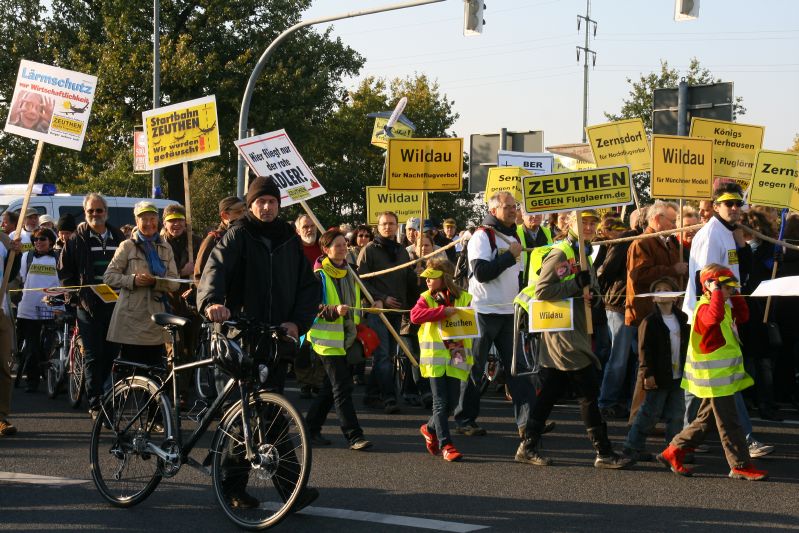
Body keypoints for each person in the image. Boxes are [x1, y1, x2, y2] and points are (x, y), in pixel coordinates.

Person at [198, 176, 320, 511]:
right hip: (238, 336)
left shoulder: (289, 241)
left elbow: (309, 288)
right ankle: (231, 486)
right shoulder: (238, 234)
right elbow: (214, 272)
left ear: (280, 205)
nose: (266, 208)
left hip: (274, 339)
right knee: (242, 418)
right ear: (250, 205)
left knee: (275, 414)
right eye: (260, 202)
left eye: (272, 202)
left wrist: (297, 322)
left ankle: (290, 490)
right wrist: (212, 303)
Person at [530, 210, 632, 468]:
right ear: (569, 223)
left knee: (550, 391)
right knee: (588, 391)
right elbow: (542, 291)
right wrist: (576, 284)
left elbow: (591, 291)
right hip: (561, 332)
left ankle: (527, 445)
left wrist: (591, 295)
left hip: (576, 329)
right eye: (582, 222)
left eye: (592, 222)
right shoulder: (562, 252)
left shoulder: (583, 252)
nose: (588, 226)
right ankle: (604, 453)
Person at [682, 182, 773, 459]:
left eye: (738, 204)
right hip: (710, 315)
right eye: (728, 204)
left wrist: (741, 243)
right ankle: (742, 439)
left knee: (707, 381)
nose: (735, 208)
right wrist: (715, 317)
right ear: (715, 206)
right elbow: (707, 280)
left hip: (724, 314)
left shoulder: (729, 233)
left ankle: (684, 438)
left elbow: (741, 272)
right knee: (719, 379)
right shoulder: (711, 234)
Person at [657, 264, 767, 481]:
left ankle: (673, 452)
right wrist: (717, 291)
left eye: (731, 286)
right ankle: (740, 465)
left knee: (705, 420)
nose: (729, 290)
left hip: (721, 377)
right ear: (710, 286)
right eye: (726, 287)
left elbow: (744, 316)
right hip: (714, 378)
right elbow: (712, 319)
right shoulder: (705, 307)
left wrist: (734, 295)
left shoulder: (724, 304)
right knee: (730, 423)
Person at [455, 191, 541, 456]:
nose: (513, 210)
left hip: (509, 311)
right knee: (474, 367)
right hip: (483, 311)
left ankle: (527, 424)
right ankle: (465, 419)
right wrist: (508, 256)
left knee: (518, 369)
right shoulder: (482, 236)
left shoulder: (514, 235)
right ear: (493, 210)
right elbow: (481, 273)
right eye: (507, 207)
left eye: (515, 206)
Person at [600, 201, 686, 420]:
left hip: (661, 311)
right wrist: (672, 270)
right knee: (635, 363)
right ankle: (626, 409)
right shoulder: (642, 242)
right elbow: (638, 274)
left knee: (645, 362)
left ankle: (640, 410)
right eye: (671, 220)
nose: (675, 224)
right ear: (657, 220)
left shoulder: (669, 243)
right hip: (643, 312)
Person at [305, 229, 372, 451]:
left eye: (345, 244)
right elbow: (310, 306)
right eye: (338, 245)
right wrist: (334, 310)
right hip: (325, 340)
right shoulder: (318, 275)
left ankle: (310, 429)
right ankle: (354, 436)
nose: (343, 248)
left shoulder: (351, 271)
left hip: (347, 336)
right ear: (325, 250)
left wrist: (377, 301)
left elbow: (364, 294)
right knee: (342, 386)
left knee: (330, 388)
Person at [58, 193, 125, 415]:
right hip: (88, 306)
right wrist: (74, 295)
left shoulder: (118, 236)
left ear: (106, 212)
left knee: (111, 353)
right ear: (85, 213)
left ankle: (105, 393)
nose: (95, 214)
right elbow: (65, 271)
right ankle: (95, 402)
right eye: (90, 211)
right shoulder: (76, 239)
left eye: (99, 210)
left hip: (116, 305)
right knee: (93, 354)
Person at [411, 257, 474, 462]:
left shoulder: (465, 297)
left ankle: (429, 428)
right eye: (426, 277)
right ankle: (446, 444)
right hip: (436, 357)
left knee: (452, 403)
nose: (427, 281)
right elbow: (415, 316)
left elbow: (473, 317)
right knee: (440, 403)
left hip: (458, 354)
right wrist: (441, 312)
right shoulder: (426, 297)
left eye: (432, 277)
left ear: (445, 277)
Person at [104, 202, 179, 367]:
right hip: (132, 318)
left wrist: (156, 282)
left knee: (155, 368)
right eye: (144, 219)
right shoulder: (127, 246)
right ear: (137, 221)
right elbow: (109, 276)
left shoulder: (165, 247)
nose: (149, 223)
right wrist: (132, 280)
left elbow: (175, 283)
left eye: (152, 218)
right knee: (132, 369)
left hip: (158, 317)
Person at [357, 211, 417, 414]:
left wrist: (417, 273)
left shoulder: (402, 251)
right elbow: (361, 281)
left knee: (389, 356)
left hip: (397, 311)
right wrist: (381, 298)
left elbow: (407, 281)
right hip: (378, 310)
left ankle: (371, 395)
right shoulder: (369, 250)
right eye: (384, 224)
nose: (388, 227)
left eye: (391, 224)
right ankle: (389, 398)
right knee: (382, 356)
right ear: (378, 226)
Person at [622, 277, 688, 461]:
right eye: (658, 290)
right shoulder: (649, 322)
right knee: (650, 414)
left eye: (666, 290)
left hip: (678, 375)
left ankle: (672, 451)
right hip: (658, 376)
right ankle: (632, 446)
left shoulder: (682, 319)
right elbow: (644, 351)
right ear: (653, 297)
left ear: (675, 297)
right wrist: (647, 374)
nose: (662, 293)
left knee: (677, 415)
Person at [160, 204, 201, 402]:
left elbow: (207, 269)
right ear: (165, 223)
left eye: (179, 220)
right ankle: (177, 392)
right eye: (171, 220)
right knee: (174, 349)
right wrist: (182, 272)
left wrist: (196, 274)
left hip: (192, 307)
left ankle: (184, 387)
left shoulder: (196, 243)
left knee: (189, 350)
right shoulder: (159, 245)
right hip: (168, 305)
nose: (176, 224)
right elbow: (158, 273)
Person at [16, 228, 61, 393]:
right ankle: (32, 381)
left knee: (49, 346)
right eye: (35, 239)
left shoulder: (58, 258)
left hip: (52, 307)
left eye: (42, 239)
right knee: (32, 347)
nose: (38, 242)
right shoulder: (27, 257)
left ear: (51, 241)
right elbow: (21, 278)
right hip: (28, 309)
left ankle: (51, 376)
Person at [517, 213, 553, 287]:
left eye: (537, 212)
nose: (534, 216)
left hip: (545, 283)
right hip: (522, 283)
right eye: (530, 213)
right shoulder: (515, 232)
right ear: (522, 215)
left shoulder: (548, 232)